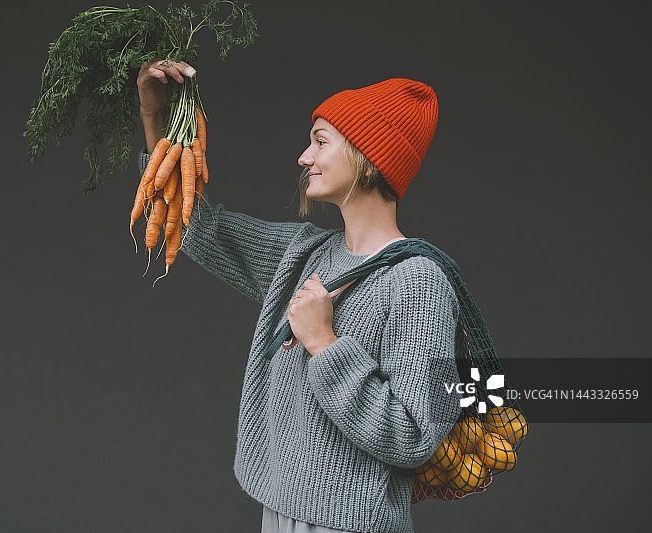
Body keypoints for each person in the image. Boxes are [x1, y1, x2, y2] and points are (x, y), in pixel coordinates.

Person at [136, 60, 462, 533]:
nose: (303, 157)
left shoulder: (417, 281)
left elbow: (414, 435)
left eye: (320, 141)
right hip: (280, 513)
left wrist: (325, 345)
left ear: (369, 155)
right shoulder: (302, 254)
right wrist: (155, 119)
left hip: (352, 525)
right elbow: (197, 228)